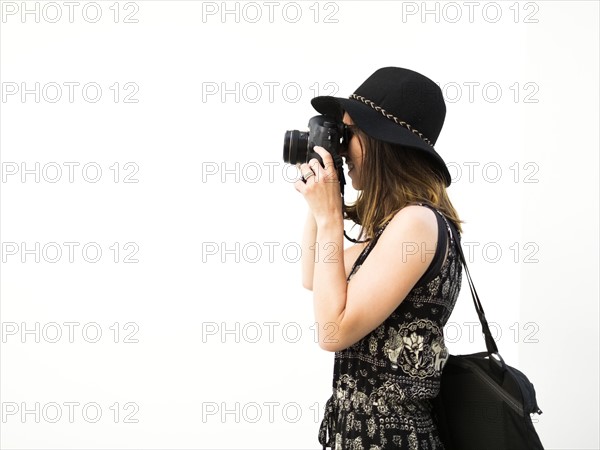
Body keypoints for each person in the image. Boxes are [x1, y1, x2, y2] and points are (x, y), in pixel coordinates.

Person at [293, 67, 464, 450]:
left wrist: (330, 217)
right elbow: (313, 275)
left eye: (348, 134)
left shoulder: (416, 224)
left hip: (391, 439)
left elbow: (331, 331)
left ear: (381, 141)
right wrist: (322, 196)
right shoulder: (395, 228)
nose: (341, 145)